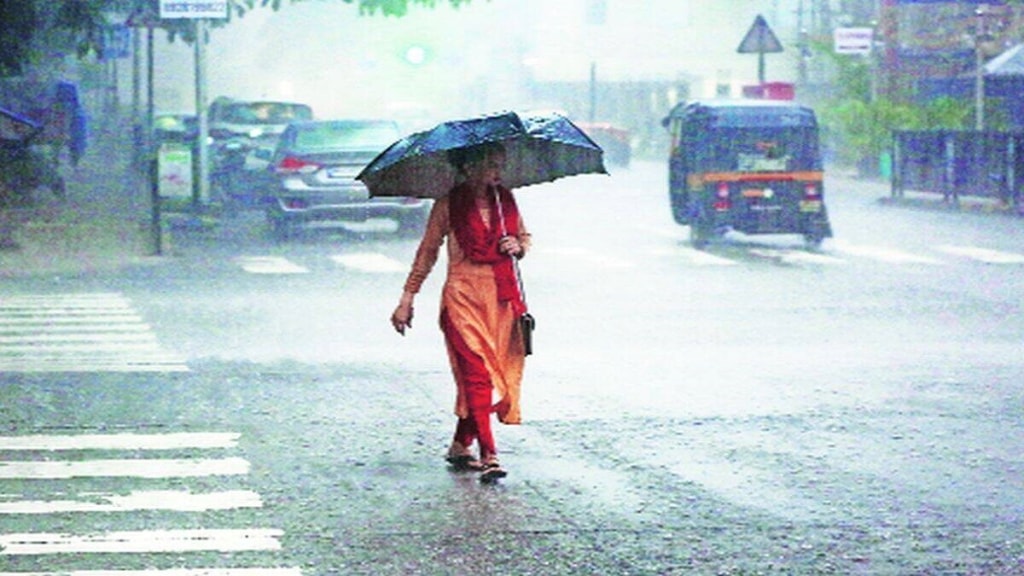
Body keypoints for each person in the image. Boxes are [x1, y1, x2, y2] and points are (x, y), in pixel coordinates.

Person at [390, 141, 530, 483]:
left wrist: (519, 246)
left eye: (500, 164)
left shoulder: (506, 202)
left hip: (500, 301)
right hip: (462, 299)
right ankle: (490, 453)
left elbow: (524, 237)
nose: (498, 172)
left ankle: (460, 445)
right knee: (477, 375)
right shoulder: (448, 204)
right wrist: (407, 298)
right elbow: (428, 252)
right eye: (490, 165)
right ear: (470, 168)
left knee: (486, 374)